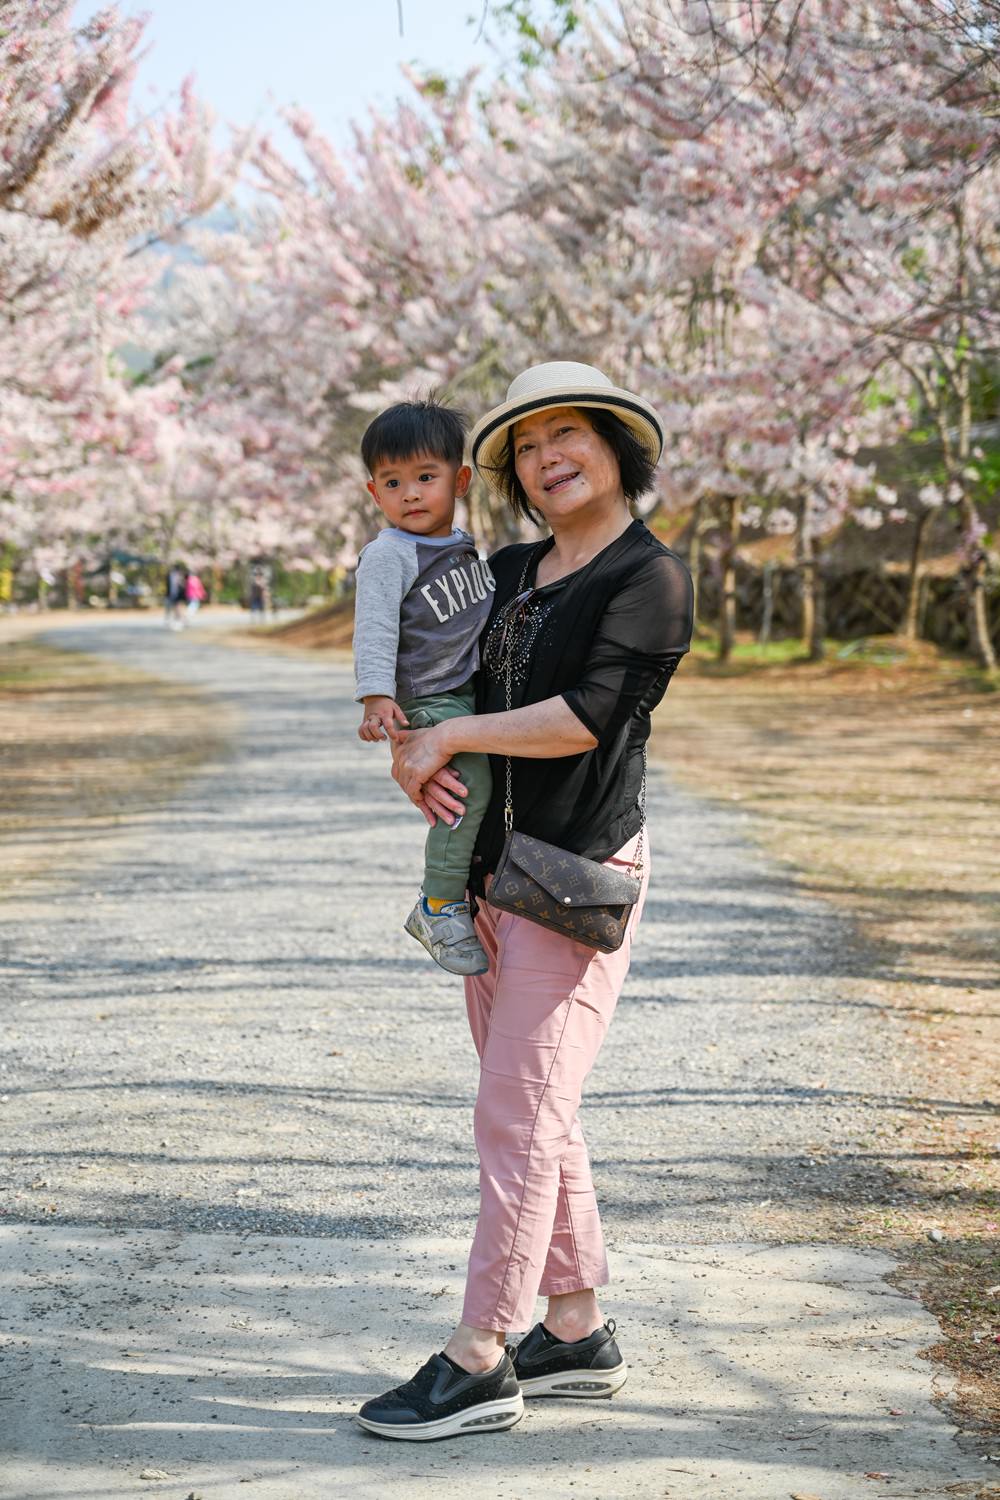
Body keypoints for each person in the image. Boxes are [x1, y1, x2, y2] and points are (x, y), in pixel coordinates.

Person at [355, 362, 694, 1441]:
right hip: (492, 873)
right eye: (528, 445)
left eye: (570, 435)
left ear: (615, 447)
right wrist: (414, 752)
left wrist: (453, 735)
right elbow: (438, 677)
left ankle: (480, 1353)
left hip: (575, 875)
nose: (549, 458)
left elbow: (585, 717)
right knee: (539, 1106)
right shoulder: (506, 569)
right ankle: (577, 1326)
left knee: (516, 1110)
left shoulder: (650, 578)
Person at [353, 399, 496, 975]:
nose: (410, 493)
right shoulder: (390, 554)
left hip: (464, 690)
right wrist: (376, 697)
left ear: (460, 481)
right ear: (374, 493)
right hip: (427, 695)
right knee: (470, 785)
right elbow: (376, 626)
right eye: (393, 481)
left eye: (425, 477)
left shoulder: (461, 545)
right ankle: (437, 903)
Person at [163, 562, 186, 630]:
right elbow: (168, 585)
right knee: (169, 608)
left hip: (178, 596)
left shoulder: (181, 576)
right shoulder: (169, 575)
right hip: (170, 595)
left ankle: (179, 621)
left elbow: (182, 586)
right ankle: (169, 621)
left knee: (177, 609)